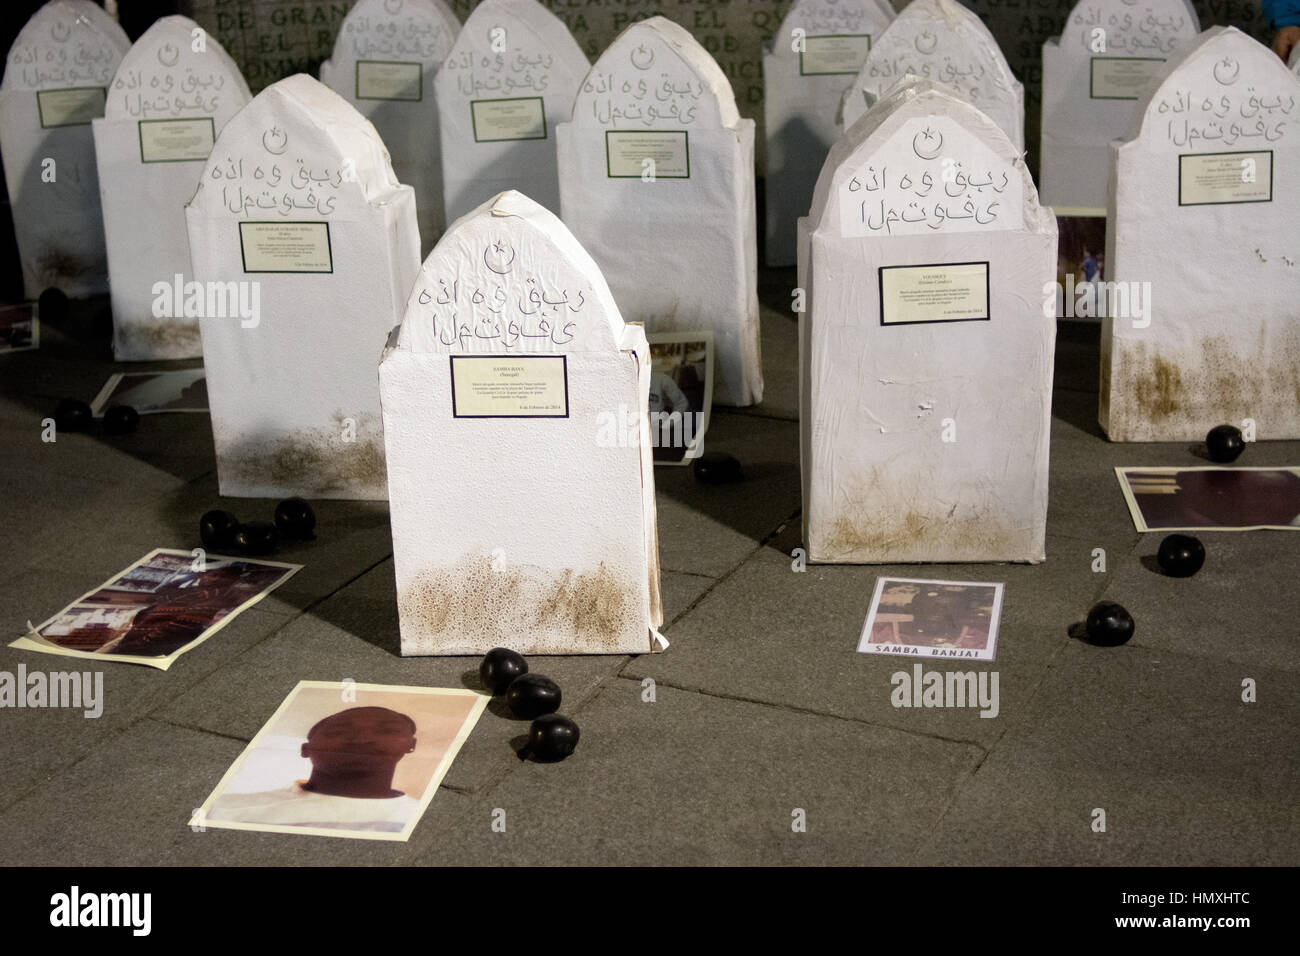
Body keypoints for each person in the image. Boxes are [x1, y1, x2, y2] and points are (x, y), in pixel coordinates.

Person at [206, 707, 423, 833]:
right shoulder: (226, 808)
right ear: (305, 750)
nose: (363, 740)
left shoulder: (419, 817)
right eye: (340, 732)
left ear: (410, 745)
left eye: (387, 731)